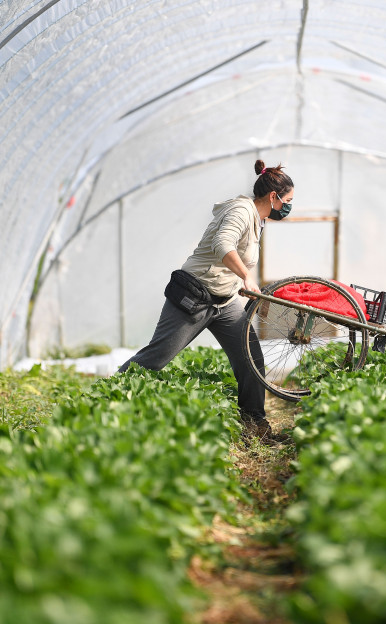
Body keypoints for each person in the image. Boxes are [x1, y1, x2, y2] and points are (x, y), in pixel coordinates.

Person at [120, 160, 294, 442]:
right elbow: (222, 244)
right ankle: (105, 400)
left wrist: (241, 285)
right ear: (273, 197)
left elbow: (230, 258)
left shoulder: (258, 220)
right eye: (287, 201)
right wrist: (246, 277)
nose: (288, 207)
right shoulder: (240, 210)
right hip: (195, 297)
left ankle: (256, 428)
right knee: (155, 359)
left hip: (225, 302)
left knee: (250, 360)